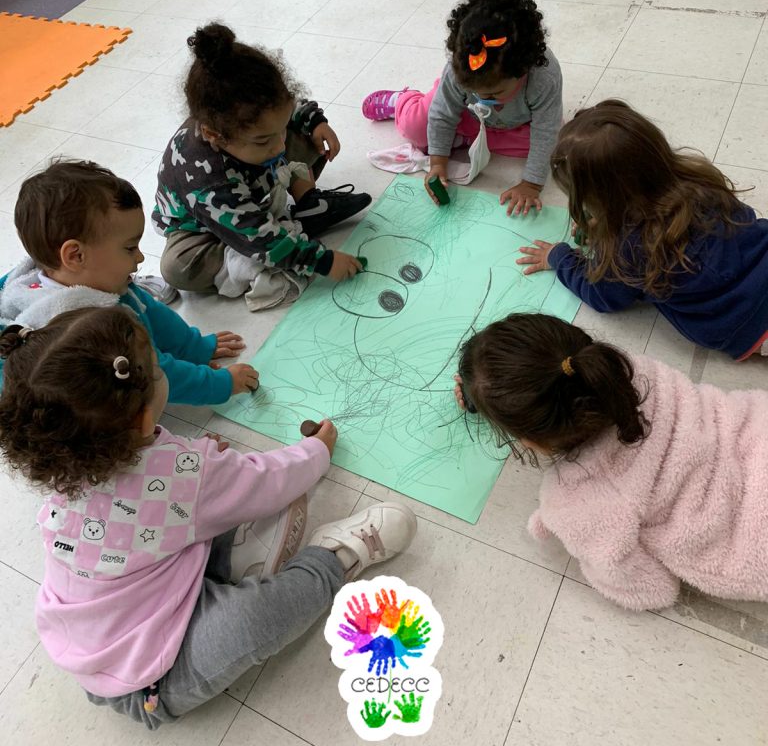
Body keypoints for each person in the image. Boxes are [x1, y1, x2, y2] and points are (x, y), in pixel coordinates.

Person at [0, 306, 417, 727]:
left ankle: (223, 564)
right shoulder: (181, 474)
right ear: (143, 417)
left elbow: (143, 496)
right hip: (147, 681)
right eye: (159, 368)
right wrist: (317, 451)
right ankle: (331, 560)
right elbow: (269, 481)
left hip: (106, 625)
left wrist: (193, 470)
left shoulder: (66, 469)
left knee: (200, 513)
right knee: (252, 623)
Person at [456, 312, 768, 611]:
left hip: (753, 539)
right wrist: (489, 399)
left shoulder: (576, 502)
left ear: (531, 442)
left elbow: (654, 590)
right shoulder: (625, 370)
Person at [517, 100, 768, 359]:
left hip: (746, 324)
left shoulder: (628, 248)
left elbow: (603, 297)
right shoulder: (700, 179)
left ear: (600, 200)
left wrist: (559, 257)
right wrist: (605, 223)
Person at [0, 159, 257, 403]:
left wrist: (193, 346)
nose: (140, 257)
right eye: (130, 248)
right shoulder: (86, 330)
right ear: (76, 256)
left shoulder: (100, 280)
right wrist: (220, 384)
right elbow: (153, 373)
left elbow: (153, 313)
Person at [154, 23, 370, 309]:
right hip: (203, 230)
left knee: (307, 137)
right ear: (214, 135)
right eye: (263, 140)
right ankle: (242, 255)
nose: (279, 146)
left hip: (250, 186)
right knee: (178, 267)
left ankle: (308, 202)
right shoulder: (210, 182)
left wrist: (314, 121)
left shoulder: (252, 118)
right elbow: (256, 236)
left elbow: (287, 107)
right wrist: (322, 261)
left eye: (279, 130)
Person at [362, 0, 563, 214]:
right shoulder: (458, 69)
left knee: (551, 144)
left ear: (523, 71)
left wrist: (531, 184)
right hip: (464, 112)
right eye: (477, 91)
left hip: (510, 123)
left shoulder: (543, 77)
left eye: (495, 93)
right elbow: (441, 115)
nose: (485, 98)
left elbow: (545, 131)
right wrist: (438, 162)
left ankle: (466, 138)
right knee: (415, 128)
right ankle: (403, 101)